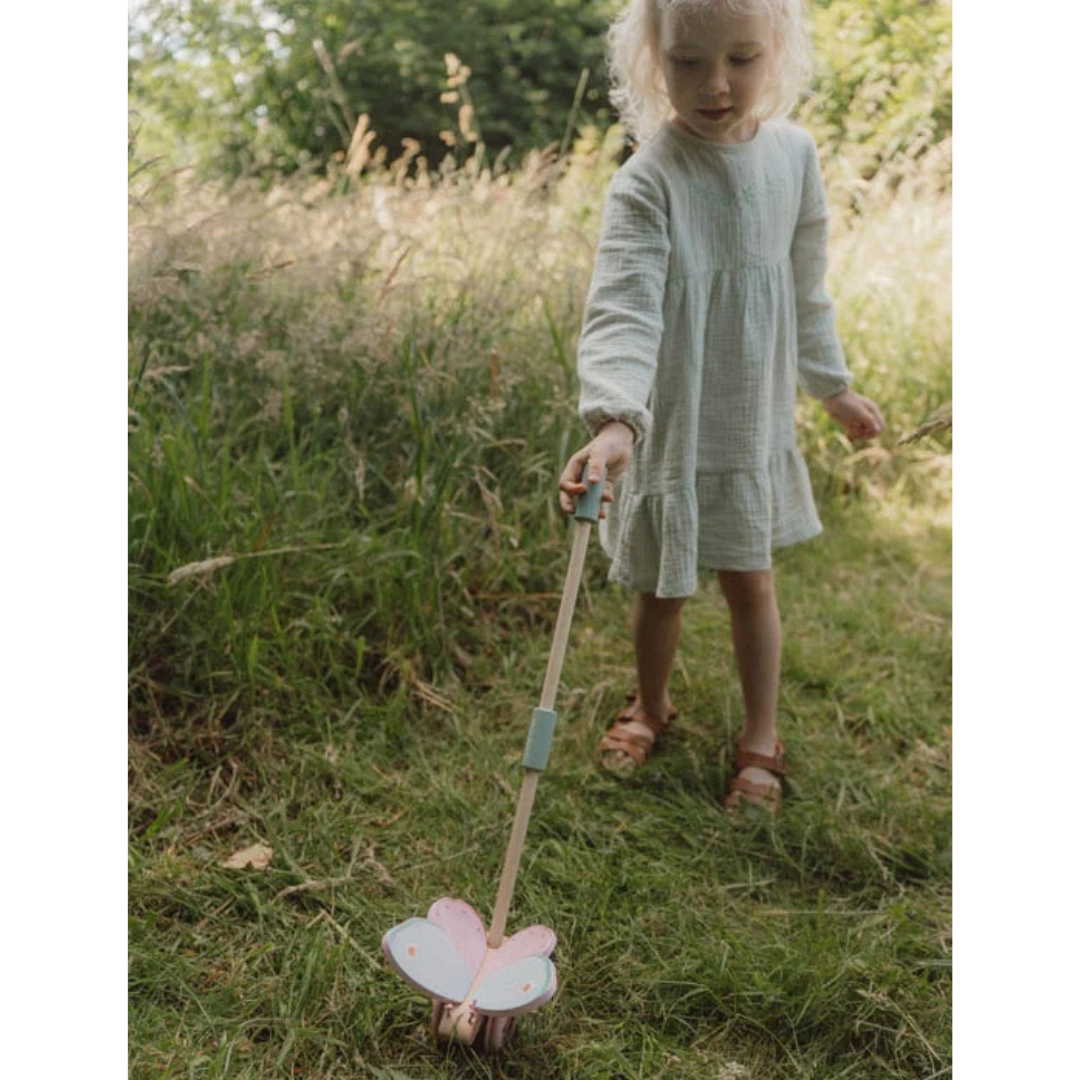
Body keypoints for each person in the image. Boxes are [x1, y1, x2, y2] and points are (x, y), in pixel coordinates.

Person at [557, 0, 884, 813]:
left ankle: (760, 736)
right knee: (663, 587)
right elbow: (624, 308)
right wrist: (614, 419)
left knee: (751, 581)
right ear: (652, 61)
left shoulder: (794, 158)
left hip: (749, 416)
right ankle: (653, 704)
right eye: (687, 63)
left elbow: (807, 289)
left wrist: (831, 386)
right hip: (668, 422)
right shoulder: (650, 178)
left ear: (778, 51)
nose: (715, 84)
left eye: (741, 59)